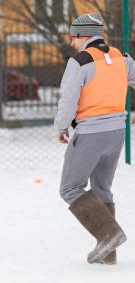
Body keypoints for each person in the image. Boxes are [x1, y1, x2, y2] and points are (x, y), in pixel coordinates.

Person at [54, 12, 135, 264]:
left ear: (82, 35)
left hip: (90, 133)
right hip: (116, 133)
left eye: (73, 37)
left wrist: (61, 126)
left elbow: (68, 99)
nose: (71, 43)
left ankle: (108, 234)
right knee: (102, 188)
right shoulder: (122, 58)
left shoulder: (80, 61)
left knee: (70, 188)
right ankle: (107, 255)